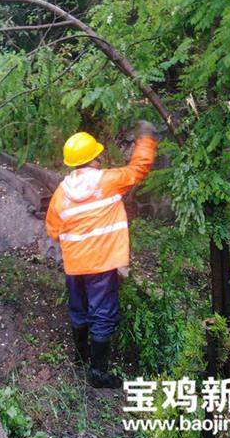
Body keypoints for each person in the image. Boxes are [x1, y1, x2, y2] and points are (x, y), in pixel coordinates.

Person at [45, 121, 157, 388]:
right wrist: (146, 139)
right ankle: (97, 373)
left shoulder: (61, 194)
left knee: (79, 309)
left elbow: (52, 229)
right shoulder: (108, 181)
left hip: (75, 267)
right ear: (94, 158)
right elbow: (139, 169)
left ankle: (80, 357)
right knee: (103, 313)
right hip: (102, 265)